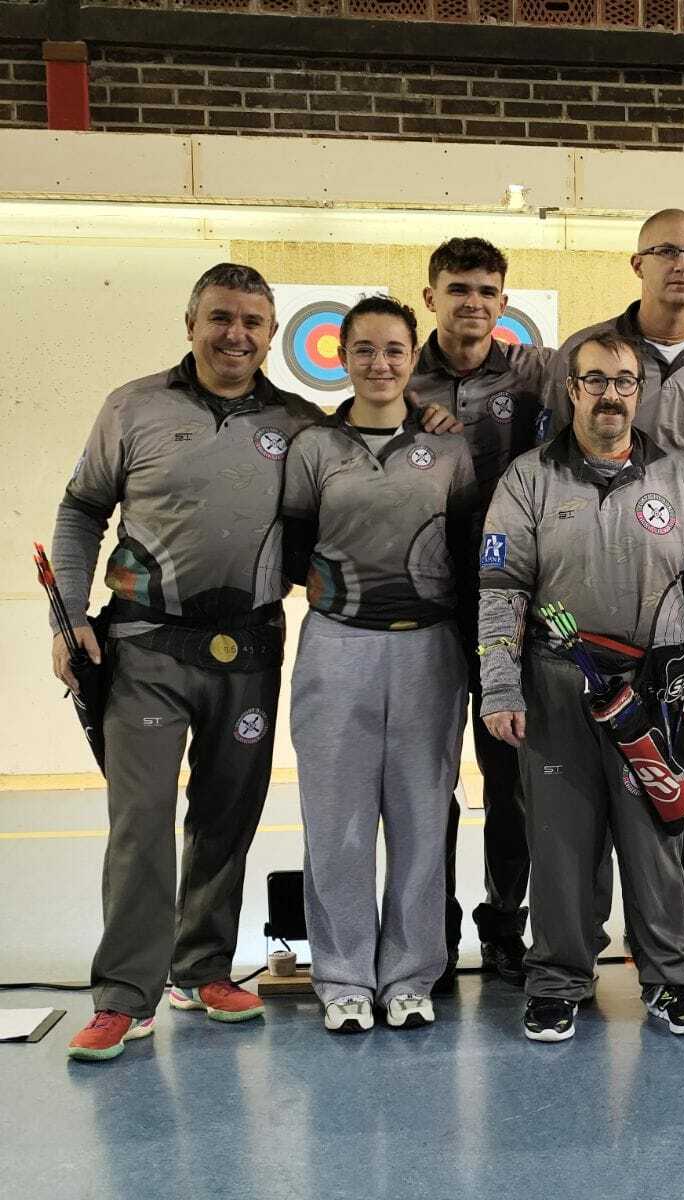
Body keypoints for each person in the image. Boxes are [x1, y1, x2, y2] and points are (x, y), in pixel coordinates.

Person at [50, 263, 324, 1062]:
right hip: (143, 647)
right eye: (219, 318)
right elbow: (80, 511)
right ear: (190, 322)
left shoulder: (301, 423)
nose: (234, 334)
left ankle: (200, 969)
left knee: (226, 815)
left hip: (251, 648)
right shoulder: (134, 406)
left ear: (272, 334)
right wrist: (69, 623)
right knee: (139, 823)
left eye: (251, 321)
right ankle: (124, 997)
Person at [479, 330, 684, 1042]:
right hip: (557, 687)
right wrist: (500, 688)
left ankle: (674, 978)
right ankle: (560, 978)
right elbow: (501, 591)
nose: (611, 394)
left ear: (640, 391)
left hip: (652, 692)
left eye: (624, 381)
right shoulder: (529, 479)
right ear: (571, 389)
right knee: (560, 843)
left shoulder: (680, 480)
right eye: (596, 380)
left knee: (656, 839)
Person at [544, 209, 684, 990]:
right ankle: (580, 948)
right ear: (636, 262)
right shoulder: (589, 353)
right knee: (589, 791)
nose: (681, 264)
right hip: (593, 615)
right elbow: (552, 457)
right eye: (664, 250)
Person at [282, 296, 475, 1033]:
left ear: (411, 354)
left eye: (394, 350)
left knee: (423, 817)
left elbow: (463, 556)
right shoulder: (313, 448)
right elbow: (297, 553)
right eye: (364, 350)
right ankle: (342, 979)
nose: (380, 364)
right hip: (338, 645)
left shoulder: (449, 450)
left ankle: (409, 976)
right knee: (338, 821)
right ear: (341, 355)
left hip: (429, 649)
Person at [406, 236, 555, 988]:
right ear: (430, 295)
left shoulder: (535, 370)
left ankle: (505, 926)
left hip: (512, 606)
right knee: (429, 778)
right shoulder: (401, 374)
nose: (473, 303)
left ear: (505, 303)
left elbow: (627, 359)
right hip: (426, 605)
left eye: (488, 291)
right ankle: (428, 931)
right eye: (458, 288)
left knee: (512, 780)